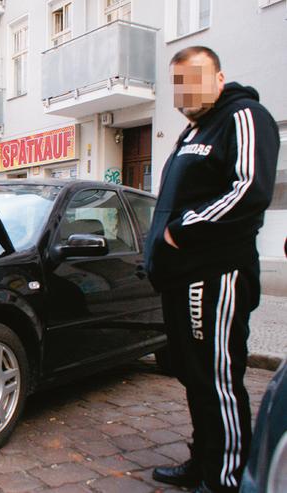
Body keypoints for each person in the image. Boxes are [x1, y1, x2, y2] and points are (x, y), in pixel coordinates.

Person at [144, 46, 280, 493]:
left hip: (216, 274)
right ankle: (203, 461)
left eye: (196, 78)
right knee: (193, 374)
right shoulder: (192, 132)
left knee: (218, 376)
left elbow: (248, 190)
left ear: (219, 78)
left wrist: (179, 231)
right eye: (178, 81)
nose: (186, 90)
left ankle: (226, 477)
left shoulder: (243, 115)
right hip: (182, 278)